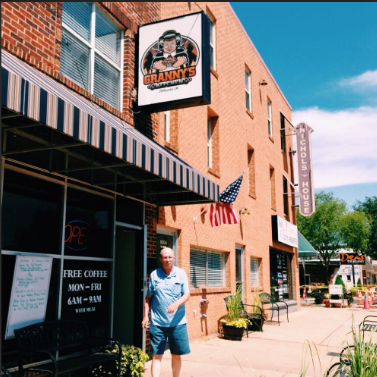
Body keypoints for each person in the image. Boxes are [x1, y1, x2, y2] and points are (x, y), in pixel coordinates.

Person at [142, 247, 190, 377]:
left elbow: (186, 294)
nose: (168, 260)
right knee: (156, 355)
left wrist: (176, 304)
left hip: (177, 322)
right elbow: (148, 298)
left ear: (174, 258)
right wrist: (146, 316)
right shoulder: (154, 275)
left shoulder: (181, 274)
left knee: (176, 354)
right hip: (158, 323)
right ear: (160, 259)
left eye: (170, 257)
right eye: (165, 257)